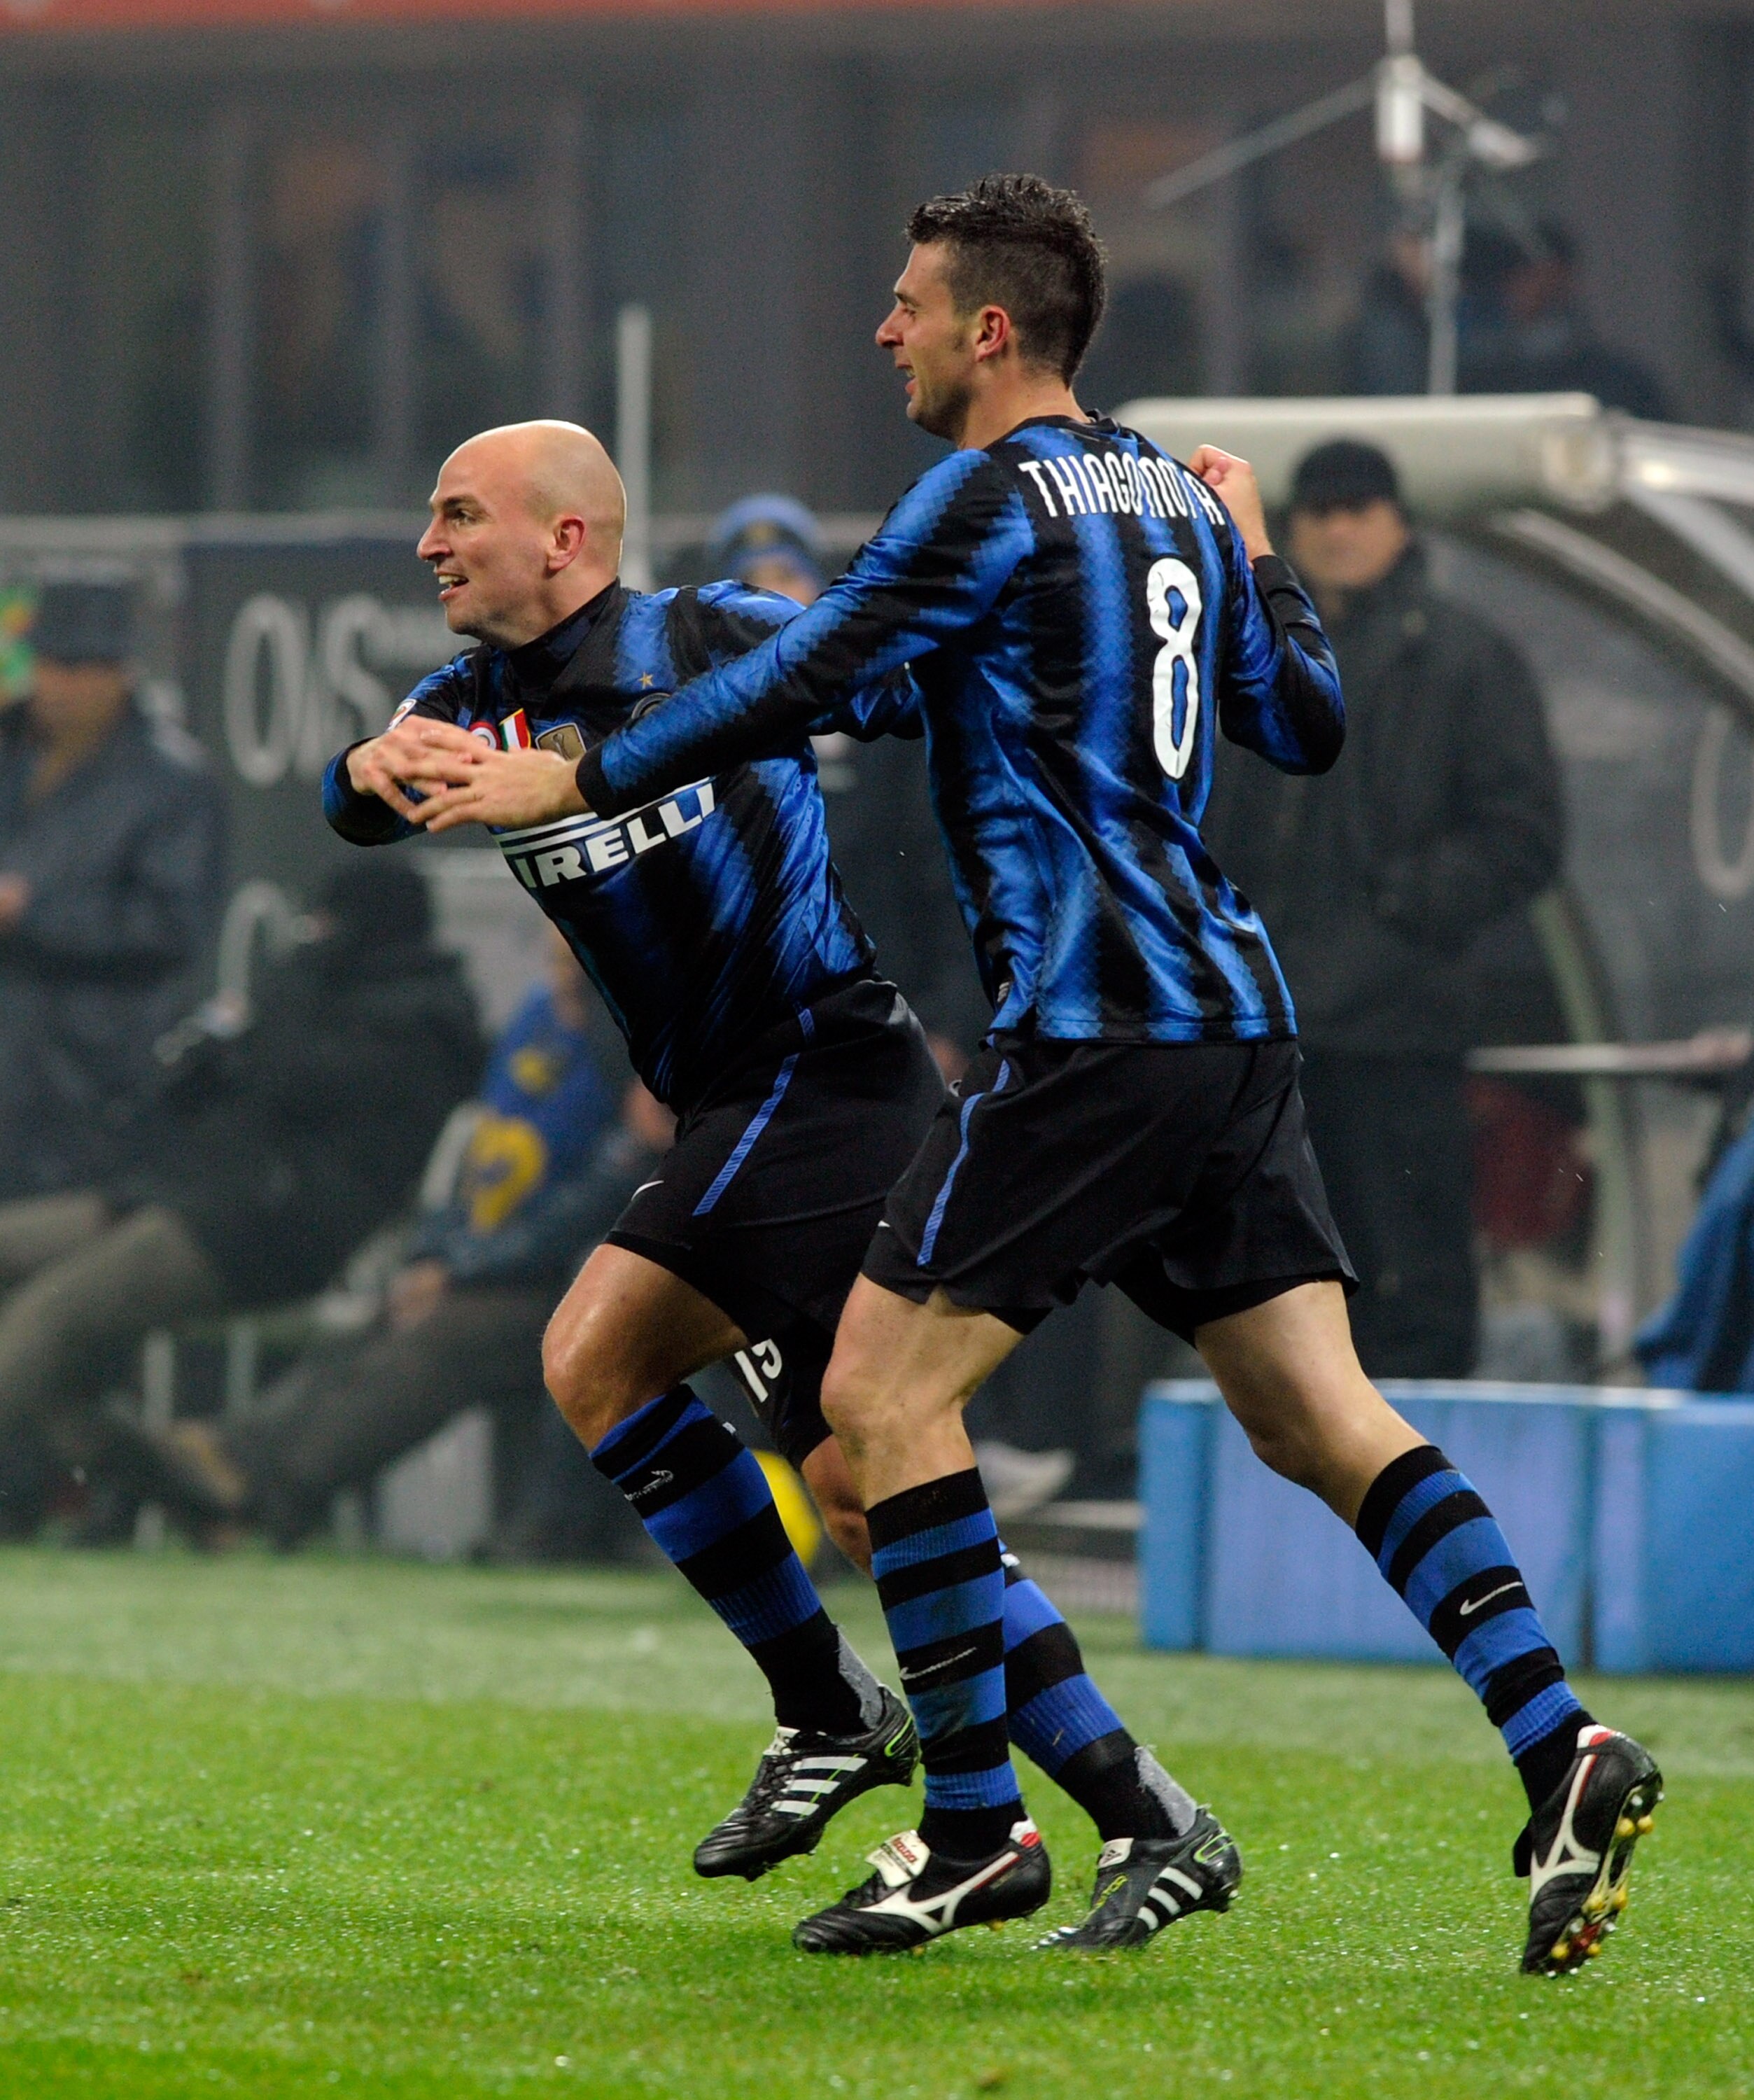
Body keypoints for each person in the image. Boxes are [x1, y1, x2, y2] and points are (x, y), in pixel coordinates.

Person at [435, 176, 1660, 1973]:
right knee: (1320, 1416)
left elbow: (806, 677)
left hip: (1097, 1028)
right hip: (1236, 1019)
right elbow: (1305, 724)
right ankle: (1564, 1743)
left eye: (910, 304)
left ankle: (971, 1825)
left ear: (988, 330)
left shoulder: (991, 500)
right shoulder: (1172, 489)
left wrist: (578, 774)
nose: (887, 330)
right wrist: (1257, 557)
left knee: (877, 1399)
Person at [328, 418, 1212, 1907]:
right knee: (869, 1495)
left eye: (457, 514)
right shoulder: (464, 700)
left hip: (822, 1081)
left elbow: (896, 683)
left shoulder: (716, 634)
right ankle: (1146, 1810)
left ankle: (833, 1716)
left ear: (567, 538)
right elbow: (353, 811)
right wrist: (363, 763)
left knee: (595, 1355)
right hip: (745, 1108)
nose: (428, 544)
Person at [1202, 438, 1564, 1380]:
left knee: (1412, 1271)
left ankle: (1423, 1485)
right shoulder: (1248, 649)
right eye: (1317, 511)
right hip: (1273, 1022)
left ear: (1399, 521)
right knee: (1285, 1275)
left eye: (1357, 508)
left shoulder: (1461, 659)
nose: (1336, 528)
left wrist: (1399, 911)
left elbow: (1522, 832)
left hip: (1398, 1023)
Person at [102, 925, 637, 1553]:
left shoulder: (642, 1041)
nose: (562, 961)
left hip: (565, 1280)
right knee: (381, 1321)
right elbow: (475, 1158)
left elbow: (612, 1193)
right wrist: (440, 1253)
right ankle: (230, 1455)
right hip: (491, 1256)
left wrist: (467, 1268)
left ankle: (256, 1494)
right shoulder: (538, 1017)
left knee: (439, 1337)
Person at [0, 858, 482, 1494]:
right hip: (184, 1195)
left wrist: (284, 992)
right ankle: (150, 1475)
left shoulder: (423, 1024)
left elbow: (294, 1081)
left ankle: (160, 1482)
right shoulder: (325, 993)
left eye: (330, 922)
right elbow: (202, 1089)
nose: (318, 933)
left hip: (266, 1229)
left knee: (44, 1322)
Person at [706, 493, 986, 1067]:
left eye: (787, 575)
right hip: (746, 1048)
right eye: (749, 585)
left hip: (894, 1031)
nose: (773, 598)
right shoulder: (694, 740)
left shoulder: (893, 729)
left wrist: (951, 1026)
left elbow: (951, 878)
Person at [0, 577, 226, 1203]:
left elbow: (172, 927)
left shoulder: (171, 783)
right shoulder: (9, 751)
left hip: (90, 1077)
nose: (60, 683)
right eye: (50, 662)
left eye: (81, 666)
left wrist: (30, 913)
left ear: (118, 670)